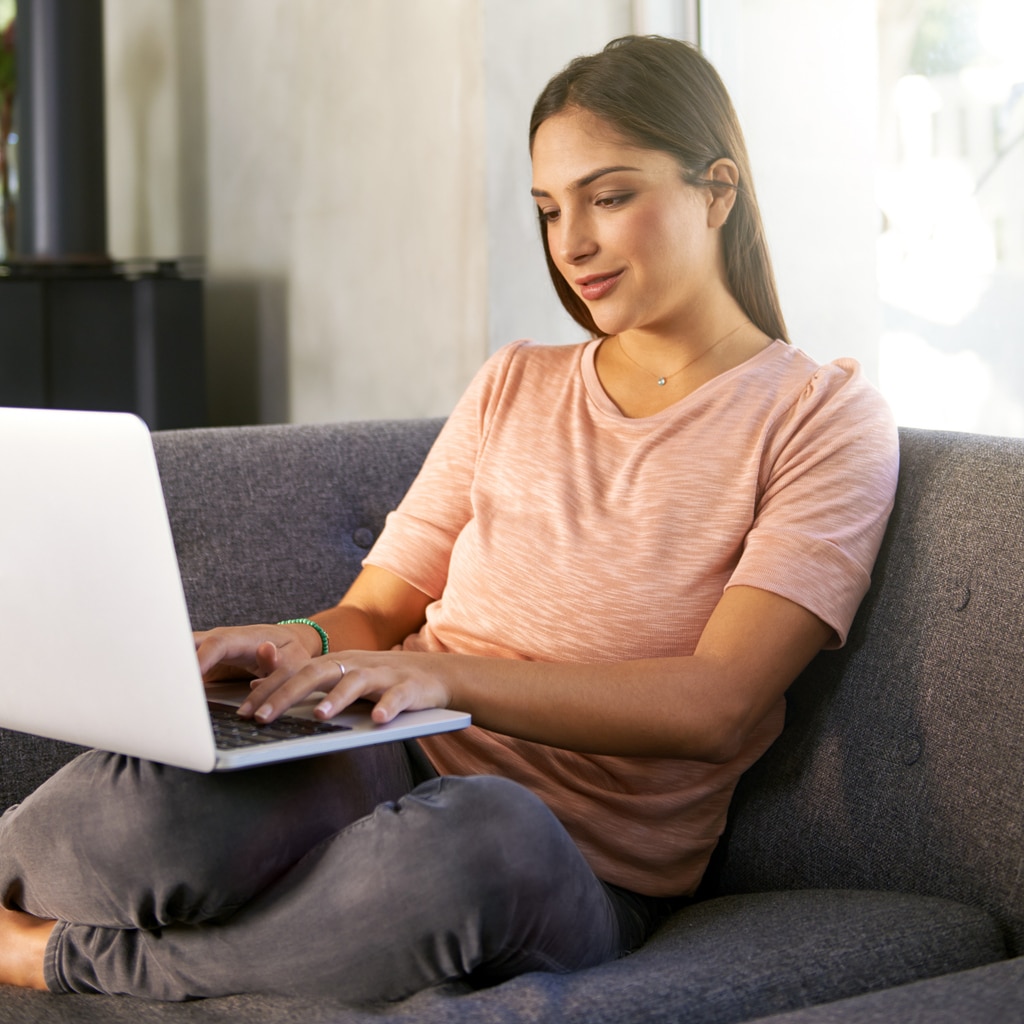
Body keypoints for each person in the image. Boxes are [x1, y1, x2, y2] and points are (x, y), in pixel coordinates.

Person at [0, 35, 898, 1002]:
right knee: (160, 803)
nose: (573, 243)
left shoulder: (822, 417)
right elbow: (374, 615)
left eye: (609, 196)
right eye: (550, 210)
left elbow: (717, 707)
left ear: (717, 191)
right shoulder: (517, 382)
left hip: (568, 861)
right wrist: (292, 641)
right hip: (391, 757)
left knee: (479, 847)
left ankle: (54, 959)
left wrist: (439, 674)